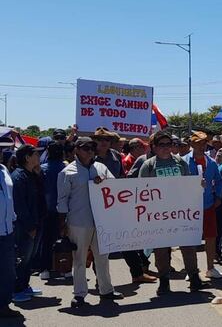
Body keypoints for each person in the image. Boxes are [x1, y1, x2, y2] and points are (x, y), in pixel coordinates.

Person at [139, 132, 208, 295]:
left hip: (181, 213)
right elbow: (141, 191)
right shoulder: (148, 165)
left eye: (168, 144)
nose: (165, 148)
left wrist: (198, 185)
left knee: (188, 246)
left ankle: (194, 278)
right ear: (154, 147)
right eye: (161, 145)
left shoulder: (180, 163)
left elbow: (188, 184)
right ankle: (164, 281)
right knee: (161, 250)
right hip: (158, 216)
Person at [57, 137, 123, 307]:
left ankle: (106, 290)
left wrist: (104, 182)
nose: (90, 151)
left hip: (101, 220)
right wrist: (62, 224)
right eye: (86, 148)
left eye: (92, 147)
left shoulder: (101, 168)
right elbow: (62, 200)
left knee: (103, 257)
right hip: (78, 222)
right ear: (76, 149)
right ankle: (79, 294)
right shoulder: (67, 172)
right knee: (79, 259)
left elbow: (115, 188)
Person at [94, 128, 155, 284]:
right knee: (101, 244)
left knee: (126, 239)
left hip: (116, 203)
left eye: (107, 140)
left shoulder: (115, 155)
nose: (103, 143)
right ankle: (100, 279)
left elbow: (122, 176)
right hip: (97, 206)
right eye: (100, 140)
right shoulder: (90, 157)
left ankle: (137, 273)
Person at [185, 131, 222, 279]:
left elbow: (219, 181)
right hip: (189, 208)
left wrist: (219, 196)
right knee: (191, 239)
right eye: (198, 143)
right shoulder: (182, 161)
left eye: (204, 143)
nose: (202, 146)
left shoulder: (212, 163)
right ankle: (192, 270)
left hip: (208, 205)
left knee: (210, 237)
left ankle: (210, 268)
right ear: (192, 144)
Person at [11, 145, 46, 303]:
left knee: (29, 258)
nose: (39, 156)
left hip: (36, 222)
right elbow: (20, 205)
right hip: (25, 226)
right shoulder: (18, 177)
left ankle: (24, 286)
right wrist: (30, 226)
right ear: (27, 157)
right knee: (22, 258)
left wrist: (38, 174)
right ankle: (15, 290)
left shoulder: (32, 174)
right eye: (36, 154)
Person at [0, 137, 21, 318]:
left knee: (7, 271)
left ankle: (3, 305)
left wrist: (12, 219)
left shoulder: (4, 170)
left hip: (7, 230)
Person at [40, 142, 67, 280]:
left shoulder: (41, 169)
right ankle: (64, 269)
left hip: (46, 209)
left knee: (46, 241)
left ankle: (45, 269)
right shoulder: (67, 168)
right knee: (64, 239)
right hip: (64, 209)